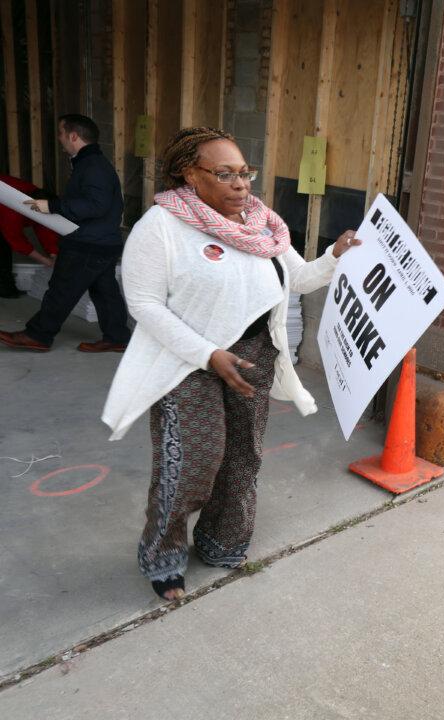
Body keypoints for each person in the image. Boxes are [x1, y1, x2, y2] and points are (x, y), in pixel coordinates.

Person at [100, 126, 360, 601]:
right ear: (189, 175)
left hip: (255, 354)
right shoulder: (159, 227)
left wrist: (333, 256)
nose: (242, 185)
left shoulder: (262, 222)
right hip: (189, 361)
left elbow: (297, 277)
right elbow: (142, 303)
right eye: (224, 174)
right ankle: (163, 559)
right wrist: (208, 355)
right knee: (191, 462)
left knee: (243, 456)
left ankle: (224, 543)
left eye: (244, 173)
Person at [0, 114, 132, 353]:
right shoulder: (89, 164)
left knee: (62, 289)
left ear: (73, 136)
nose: (59, 138)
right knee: (105, 292)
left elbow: (96, 205)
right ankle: (117, 337)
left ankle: (38, 335)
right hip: (100, 242)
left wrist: (52, 206)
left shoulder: (93, 167)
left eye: (61, 133)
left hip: (88, 243)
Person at [0, 174, 62, 268]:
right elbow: (17, 241)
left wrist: (53, 253)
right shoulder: (12, 211)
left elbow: (43, 223)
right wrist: (44, 260)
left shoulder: (36, 194)